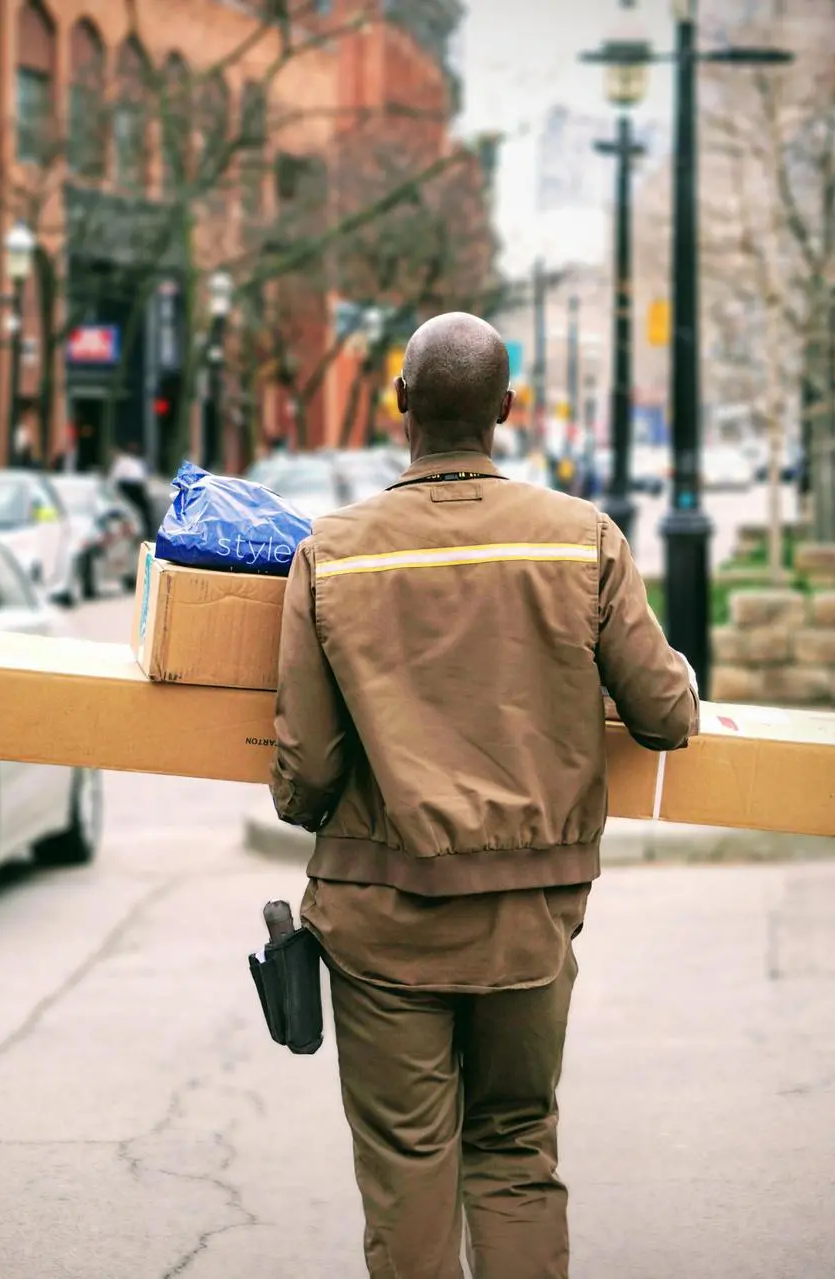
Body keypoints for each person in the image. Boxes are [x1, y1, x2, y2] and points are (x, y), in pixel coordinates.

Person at [270, 312, 699, 1279]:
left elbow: (306, 772)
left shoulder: (330, 554)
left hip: (382, 920)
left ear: (401, 407)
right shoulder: (581, 540)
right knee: (512, 1148)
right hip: (529, 923)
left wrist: (313, 803)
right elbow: (667, 714)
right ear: (506, 410)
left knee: (409, 1165)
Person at [108, 439, 154, 535]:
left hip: (137, 487)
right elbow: (115, 477)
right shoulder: (123, 460)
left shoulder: (139, 461)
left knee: (145, 510)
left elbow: (143, 477)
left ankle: (147, 533)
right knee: (136, 510)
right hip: (128, 487)